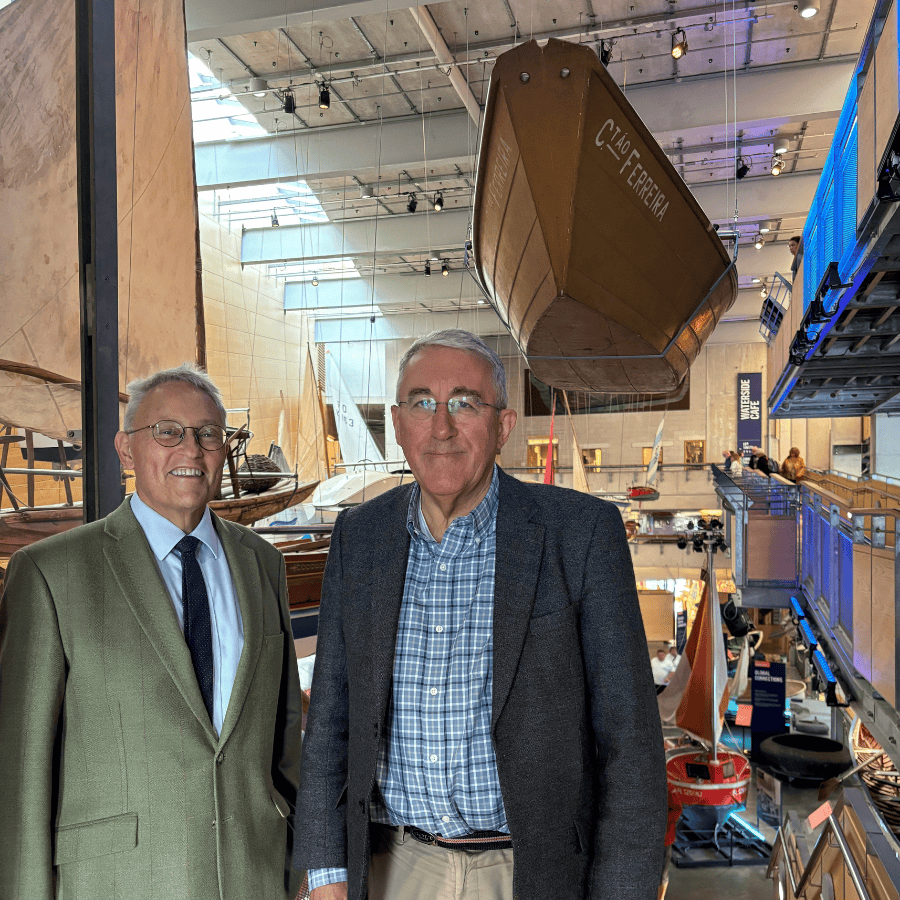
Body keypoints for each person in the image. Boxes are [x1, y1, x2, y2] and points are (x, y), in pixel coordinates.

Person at [294, 329, 666, 900]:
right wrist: (324, 872)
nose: (441, 427)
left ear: (503, 426)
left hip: (530, 874)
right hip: (393, 866)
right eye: (422, 403)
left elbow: (630, 748)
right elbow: (329, 726)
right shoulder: (359, 538)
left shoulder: (581, 534)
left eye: (465, 403)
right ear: (397, 423)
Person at [0, 365, 303, 900]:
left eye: (209, 434)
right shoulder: (51, 574)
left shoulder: (262, 564)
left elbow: (284, 742)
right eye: (167, 432)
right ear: (125, 451)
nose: (191, 448)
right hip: (117, 882)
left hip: (254, 874)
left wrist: (301, 864)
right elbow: (22, 771)